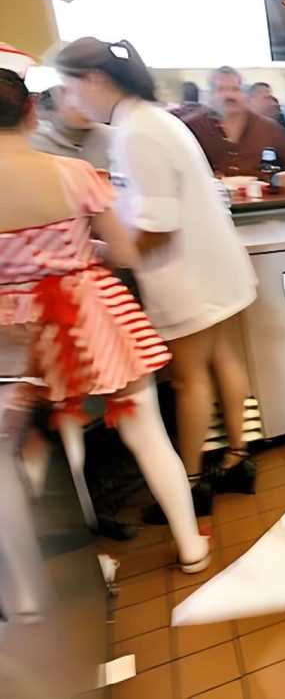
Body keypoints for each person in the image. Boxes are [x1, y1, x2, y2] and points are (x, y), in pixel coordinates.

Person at [0, 68, 210, 573]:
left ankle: (76, 568)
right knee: (145, 429)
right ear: (31, 111)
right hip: (90, 314)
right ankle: (190, 545)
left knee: (44, 449)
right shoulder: (73, 174)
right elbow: (124, 252)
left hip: (14, 330)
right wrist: (76, 251)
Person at [55, 39, 259, 520]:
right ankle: (237, 459)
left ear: (95, 79)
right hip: (215, 267)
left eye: (70, 86)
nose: (70, 99)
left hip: (186, 277)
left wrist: (107, 252)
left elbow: (156, 228)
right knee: (225, 359)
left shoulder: (136, 133)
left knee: (188, 380)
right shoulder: (155, 119)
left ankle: (189, 486)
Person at [182, 66, 285, 176]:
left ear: (244, 94)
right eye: (221, 89)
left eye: (234, 89)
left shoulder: (270, 129)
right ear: (211, 95)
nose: (229, 95)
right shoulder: (191, 128)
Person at [30, 85, 112, 170]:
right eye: (72, 104)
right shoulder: (34, 143)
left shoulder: (111, 137)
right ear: (48, 113)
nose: (84, 109)